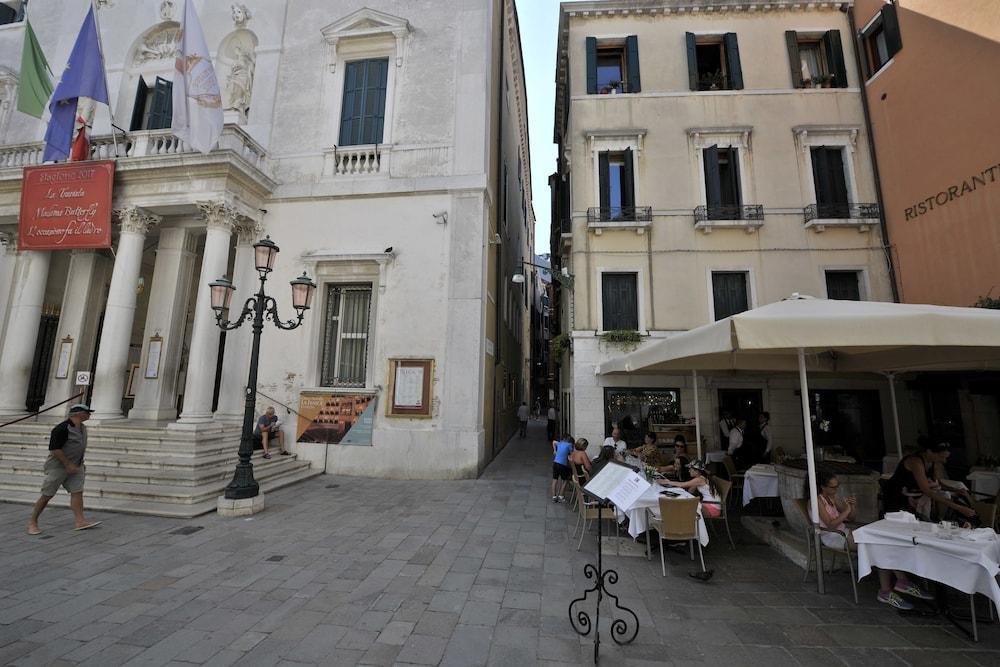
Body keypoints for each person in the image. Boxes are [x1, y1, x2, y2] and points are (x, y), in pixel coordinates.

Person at [814, 472, 932, 610]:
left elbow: (851, 518)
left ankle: (893, 586)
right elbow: (830, 525)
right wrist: (846, 511)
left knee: (881, 543)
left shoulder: (832, 498)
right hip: (833, 536)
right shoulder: (817, 500)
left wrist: (852, 507)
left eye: (837, 486)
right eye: (833, 487)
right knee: (879, 546)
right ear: (823, 487)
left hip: (845, 533)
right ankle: (895, 585)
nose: (836, 489)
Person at [27, 404, 101, 535]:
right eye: (87, 412)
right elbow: (55, 449)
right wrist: (67, 464)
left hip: (76, 466)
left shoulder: (82, 428)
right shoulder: (61, 428)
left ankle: (80, 521)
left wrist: (77, 464)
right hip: (58, 467)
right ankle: (32, 522)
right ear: (78, 413)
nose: (89, 414)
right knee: (47, 495)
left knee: (77, 492)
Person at [884, 440, 975, 522]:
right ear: (929, 452)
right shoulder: (915, 462)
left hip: (917, 499)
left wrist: (955, 490)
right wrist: (959, 508)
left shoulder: (932, 462)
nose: (944, 461)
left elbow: (937, 483)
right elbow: (927, 491)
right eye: (941, 456)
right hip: (899, 499)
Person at [551, 433, 575, 502]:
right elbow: (571, 454)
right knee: (565, 480)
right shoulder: (569, 445)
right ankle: (561, 496)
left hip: (555, 463)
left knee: (555, 480)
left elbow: (553, 442)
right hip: (562, 465)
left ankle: (554, 496)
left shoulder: (560, 443)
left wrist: (554, 450)